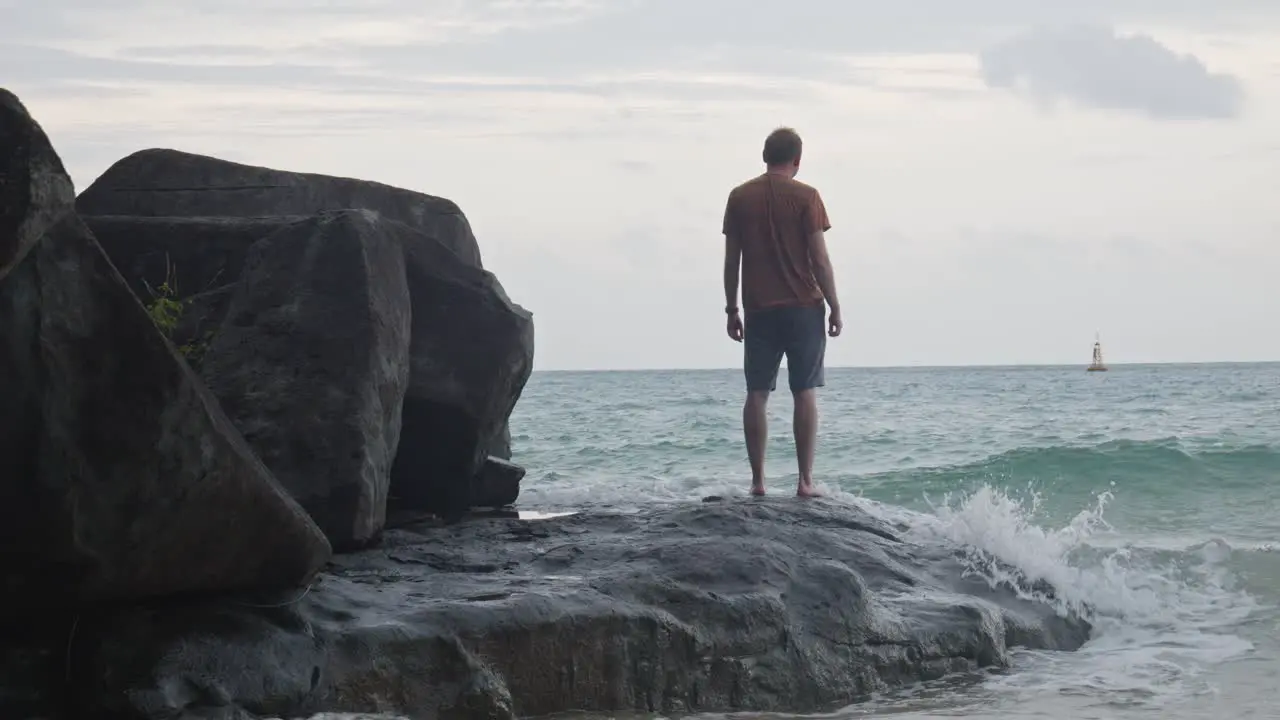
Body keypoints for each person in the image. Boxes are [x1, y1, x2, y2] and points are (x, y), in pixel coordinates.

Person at [721, 127, 842, 498]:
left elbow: (731, 262)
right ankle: (805, 482)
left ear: (764, 156)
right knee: (804, 391)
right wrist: (835, 305)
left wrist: (731, 308)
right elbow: (819, 260)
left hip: (759, 309)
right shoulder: (807, 197)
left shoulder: (739, 197)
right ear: (797, 161)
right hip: (804, 306)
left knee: (756, 393)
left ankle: (757, 482)